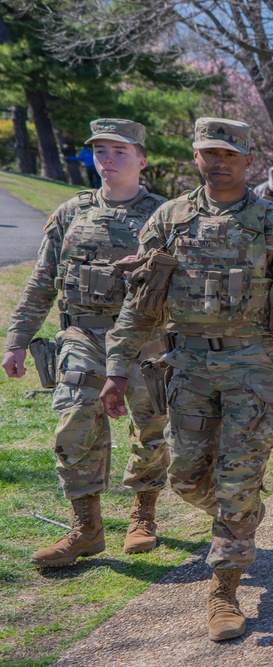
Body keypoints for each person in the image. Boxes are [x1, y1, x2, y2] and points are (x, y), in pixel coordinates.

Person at [100, 117, 273, 642]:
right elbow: (140, 303)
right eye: (209, 153)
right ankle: (242, 511)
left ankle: (224, 588)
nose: (219, 162)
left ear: (247, 160)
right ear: (196, 157)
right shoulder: (168, 219)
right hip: (188, 368)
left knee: (236, 476)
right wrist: (116, 368)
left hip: (252, 367)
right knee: (184, 476)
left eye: (229, 154)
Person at [3, 119, 168, 567]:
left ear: (141, 159)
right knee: (74, 421)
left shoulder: (165, 215)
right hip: (82, 334)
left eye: (119, 150)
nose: (108, 159)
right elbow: (42, 282)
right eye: (100, 151)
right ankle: (86, 529)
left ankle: (143, 514)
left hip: (145, 339)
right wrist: (17, 340)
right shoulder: (70, 212)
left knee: (149, 428)